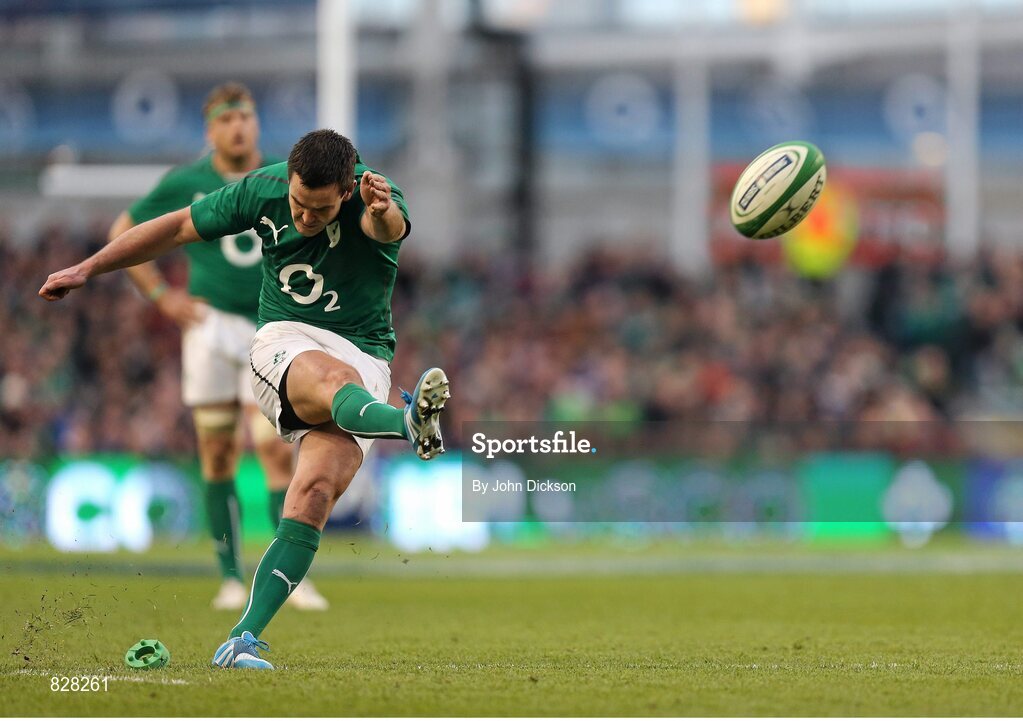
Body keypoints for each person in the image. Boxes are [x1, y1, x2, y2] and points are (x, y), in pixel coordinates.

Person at [40, 128, 449, 671]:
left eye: (319, 209)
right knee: (331, 381)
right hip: (284, 340)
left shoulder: (375, 197)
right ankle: (407, 423)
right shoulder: (264, 189)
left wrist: (381, 210)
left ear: (347, 192)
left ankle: (241, 641)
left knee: (313, 495)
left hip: (365, 357)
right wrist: (87, 268)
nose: (303, 217)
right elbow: (180, 226)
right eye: (299, 204)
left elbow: (387, 226)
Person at [109, 82, 328, 612]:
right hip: (208, 326)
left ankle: (284, 578)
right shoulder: (188, 181)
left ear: (256, 123)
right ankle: (231, 576)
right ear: (211, 131)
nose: (238, 128)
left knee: (276, 448)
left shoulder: (282, 175)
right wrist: (161, 295)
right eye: (227, 120)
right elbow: (125, 227)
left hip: (267, 327)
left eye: (246, 118)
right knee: (217, 451)